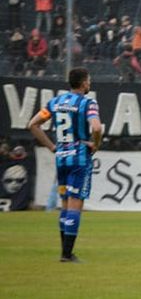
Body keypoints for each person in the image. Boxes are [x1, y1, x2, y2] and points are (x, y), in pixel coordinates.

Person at [26, 67, 103, 262]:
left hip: (61, 158)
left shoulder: (55, 102)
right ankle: (67, 254)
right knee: (75, 204)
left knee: (65, 203)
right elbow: (96, 127)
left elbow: (33, 124)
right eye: (89, 80)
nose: (90, 83)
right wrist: (96, 144)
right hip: (79, 159)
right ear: (84, 83)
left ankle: (65, 252)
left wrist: (53, 147)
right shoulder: (88, 103)